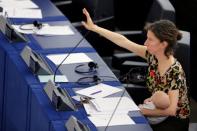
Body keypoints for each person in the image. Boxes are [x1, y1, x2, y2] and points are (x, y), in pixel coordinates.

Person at [81, 8, 190, 131]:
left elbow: (171, 110)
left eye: (150, 39)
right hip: (154, 104)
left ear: (163, 44)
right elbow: (123, 41)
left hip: (173, 120)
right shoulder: (153, 55)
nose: (145, 42)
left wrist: (141, 111)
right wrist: (95, 28)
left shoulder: (175, 72)